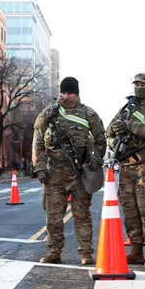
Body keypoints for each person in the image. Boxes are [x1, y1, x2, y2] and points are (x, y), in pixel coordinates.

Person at [33, 77, 106, 264]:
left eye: (70, 92)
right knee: (53, 217)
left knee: (82, 214)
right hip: (54, 172)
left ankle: (86, 253)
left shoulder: (88, 114)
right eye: (63, 92)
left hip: (79, 172)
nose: (66, 96)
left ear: (77, 93)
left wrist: (95, 158)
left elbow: (100, 139)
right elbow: (38, 142)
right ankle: (53, 251)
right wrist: (40, 166)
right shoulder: (49, 114)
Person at [106, 73, 145, 267]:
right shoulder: (126, 109)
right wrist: (114, 139)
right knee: (130, 210)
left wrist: (130, 126)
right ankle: (135, 250)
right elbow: (109, 131)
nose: (138, 86)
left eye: (143, 83)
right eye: (136, 83)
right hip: (126, 167)